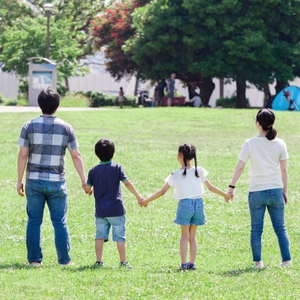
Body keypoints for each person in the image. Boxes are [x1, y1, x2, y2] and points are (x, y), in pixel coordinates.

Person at [17, 87, 87, 267]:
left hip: (33, 181)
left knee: (34, 221)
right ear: (57, 105)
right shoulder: (66, 128)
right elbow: (76, 155)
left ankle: (34, 260)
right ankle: (64, 260)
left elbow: (23, 155)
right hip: (57, 183)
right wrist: (83, 180)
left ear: (40, 104)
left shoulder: (28, 126)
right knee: (59, 222)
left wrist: (19, 180)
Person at [140, 143, 231, 271]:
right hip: (198, 204)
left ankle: (183, 263)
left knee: (184, 236)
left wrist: (146, 201)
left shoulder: (176, 174)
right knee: (192, 237)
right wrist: (225, 195)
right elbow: (210, 188)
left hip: (185, 205)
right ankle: (192, 263)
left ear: (180, 155)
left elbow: (162, 192)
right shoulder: (199, 171)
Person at [227, 108, 291, 268]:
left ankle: (258, 262)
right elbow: (284, 170)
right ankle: (286, 261)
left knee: (256, 229)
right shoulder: (280, 143)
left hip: (256, 191)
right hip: (276, 190)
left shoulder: (249, 143)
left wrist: (231, 187)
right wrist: (285, 191)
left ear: (258, 124)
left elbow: (240, 167)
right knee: (280, 228)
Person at [84, 138, 143, 269]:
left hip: (101, 212)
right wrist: (138, 196)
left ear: (96, 153)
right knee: (120, 237)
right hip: (116, 210)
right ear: (113, 152)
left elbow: (87, 188)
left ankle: (99, 261)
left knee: (99, 236)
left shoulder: (93, 170)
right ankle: (123, 262)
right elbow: (127, 183)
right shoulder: (117, 168)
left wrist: (89, 189)